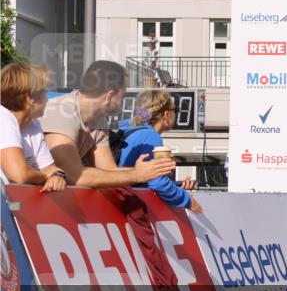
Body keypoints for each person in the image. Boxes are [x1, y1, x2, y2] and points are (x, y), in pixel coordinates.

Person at [40, 61, 175, 187]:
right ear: (109, 96)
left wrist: (153, 170)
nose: (123, 101)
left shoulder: (98, 119)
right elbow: (74, 175)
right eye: (123, 95)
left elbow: (108, 169)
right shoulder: (61, 111)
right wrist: (136, 174)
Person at [115, 89, 202, 213]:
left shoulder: (124, 126)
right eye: (175, 110)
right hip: (129, 205)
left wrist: (176, 186)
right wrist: (184, 198)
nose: (176, 114)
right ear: (166, 114)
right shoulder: (151, 136)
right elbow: (156, 182)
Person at [0, 63, 66, 192]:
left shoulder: (32, 124)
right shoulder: (3, 117)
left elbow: (50, 169)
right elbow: (20, 174)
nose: (48, 99)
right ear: (29, 98)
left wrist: (57, 176)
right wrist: (44, 176)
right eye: (44, 92)